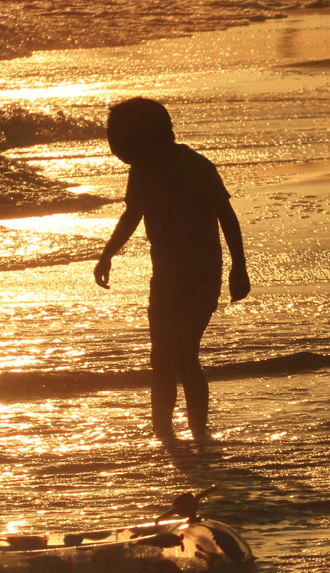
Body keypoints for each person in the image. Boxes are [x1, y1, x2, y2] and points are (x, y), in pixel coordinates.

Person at [93, 97, 250, 441]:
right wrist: (107, 255)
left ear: (154, 137)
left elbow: (227, 215)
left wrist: (239, 266)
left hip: (201, 274)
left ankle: (199, 432)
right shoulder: (141, 171)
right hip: (164, 277)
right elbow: (132, 214)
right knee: (161, 357)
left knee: (183, 352)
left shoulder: (197, 167)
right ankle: (163, 432)